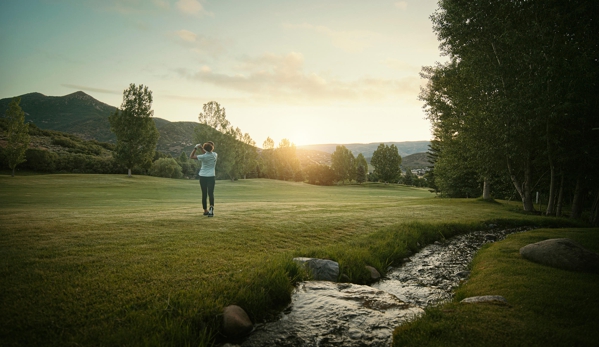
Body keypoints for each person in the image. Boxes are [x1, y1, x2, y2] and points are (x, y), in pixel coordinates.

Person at [190, 142, 218, 217]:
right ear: (212, 148)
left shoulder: (203, 156)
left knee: (204, 194)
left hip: (203, 176)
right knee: (211, 193)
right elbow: (207, 152)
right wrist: (202, 148)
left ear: (205, 148)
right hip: (211, 176)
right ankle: (211, 209)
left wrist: (196, 148)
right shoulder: (215, 155)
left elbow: (191, 156)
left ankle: (205, 210)